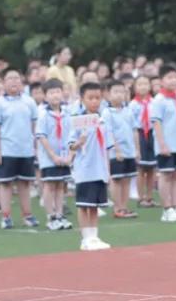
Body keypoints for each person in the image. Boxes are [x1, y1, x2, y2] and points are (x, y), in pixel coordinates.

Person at [0, 68, 39, 229]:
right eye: (10, 78)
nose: (14, 81)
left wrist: (35, 147)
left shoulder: (29, 102)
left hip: (26, 150)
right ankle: (6, 216)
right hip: (7, 150)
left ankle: (27, 215)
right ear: (3, 83)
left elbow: (34, 126)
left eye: (17, 78)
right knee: (6, 184)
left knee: (25, 184)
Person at [69, 81, 113, 251]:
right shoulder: (78, 120)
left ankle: (94, 236)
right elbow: (71, 144)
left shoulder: (103, 119)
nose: (94, 101)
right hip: (85, 168)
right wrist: (79, 142)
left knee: (95, 205)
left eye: (97, 98)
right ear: (82, 99)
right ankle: (85, 237)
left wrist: (108, 170)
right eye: (90, 98)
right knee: (83, 204)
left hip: (99, 168)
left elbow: (107, 147)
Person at [150, 66, 176, 223]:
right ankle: (166, 209)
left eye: (175, 77)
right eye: (169, 77)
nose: (173, 80)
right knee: (166, 175)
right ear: (161, 81)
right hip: (166, 144)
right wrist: (162, 144)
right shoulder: (159, 100)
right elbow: (157, 122)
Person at [35, 79, 73, 231]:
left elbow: (72, 135)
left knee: (60, 185)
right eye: (51, 93)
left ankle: (60, 214)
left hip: (64, 156)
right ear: (45, 96)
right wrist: (52, 156)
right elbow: (42, 136)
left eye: (57, 91)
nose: (55, 95)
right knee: (50, 185)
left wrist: (70, 155)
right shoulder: (43, 115)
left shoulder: (67, 113)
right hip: (49, 158)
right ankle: (50, 216)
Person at [105, 79, 139, 219]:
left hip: (129, 150)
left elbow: (134, 130)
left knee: (127, 180)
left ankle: (124, 207)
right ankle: (117, 207)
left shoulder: (128, 111)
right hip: (116, 152)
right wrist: (116, 149)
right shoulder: (107, 112)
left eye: (122, 92)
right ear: (108, 94)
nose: (119, 95)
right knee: (117, 180)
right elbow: (109, 132)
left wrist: (137, 149)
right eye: (115, 92)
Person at [129, 75, 158, 208]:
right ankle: (141, 198)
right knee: (141, 168)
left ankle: (150, 196)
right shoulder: (133, 104)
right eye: (139, 84)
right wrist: (135, 146)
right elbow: (132, 125)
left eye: (146, 84)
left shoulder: (154, 102)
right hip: (140, 133)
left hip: (152, 134)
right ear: (135, 87)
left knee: (151, 168)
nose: (143, 87)